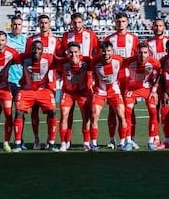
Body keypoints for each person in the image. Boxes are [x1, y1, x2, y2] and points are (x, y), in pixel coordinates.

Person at [61, 12, 100, 148]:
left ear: (83, 22)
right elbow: (61, 54)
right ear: (71, 23)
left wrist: (95, 72)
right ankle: (67, 140)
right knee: (68, 111)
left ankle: (87, 142)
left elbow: (97, 53)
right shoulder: (66, 36)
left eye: (79, 22)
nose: (77, 25)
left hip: (86, 75)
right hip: (70, 76)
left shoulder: (91, 35)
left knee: (87, 112)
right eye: (74, 22)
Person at [12, 40, 59, 152]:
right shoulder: (24, 58)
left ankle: (51, 143)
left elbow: (63, 62)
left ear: (42, 50)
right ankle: (18, 144)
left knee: (53, 111)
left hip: (43, 90)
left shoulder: (49, 58)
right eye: (33, 48)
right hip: (26, 90)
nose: (36, 51)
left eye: (39, 49)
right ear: (30, 49)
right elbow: (10, 59)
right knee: (18, 112)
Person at [0, 15, 27, 151]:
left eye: (19, 25)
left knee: (19, 112)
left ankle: (19, 139)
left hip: (20, 82)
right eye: (14, 24)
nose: (17, 27)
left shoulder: (26, 41)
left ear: (22, 26)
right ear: (11, 26)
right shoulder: (5, 39)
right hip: (5, 82)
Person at [25, 14, 62, 150]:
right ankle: (36, 139)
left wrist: (60, 75)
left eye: (46, 23)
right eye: (41, 23)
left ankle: (49, 139)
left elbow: (59, 60)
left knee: (51, 111)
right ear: (38, 24)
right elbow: (27, 60)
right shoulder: (31, 40)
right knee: (34, 111)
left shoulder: (55, 41)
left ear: (50, 24)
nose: (44, 25)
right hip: (34, 81)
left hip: (50, 81)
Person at [104, 12, 139, 150]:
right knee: (113, 110)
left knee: (131, 110)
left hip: (130, 79)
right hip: (115, 79)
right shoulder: (109, 39)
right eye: (118, 21)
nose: (120, 24)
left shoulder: (133, 38)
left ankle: (131, 138)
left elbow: (138, 58)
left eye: (123, 21)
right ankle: (112, 140)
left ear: (127, 22)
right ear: (115, 22)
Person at [90, 41, 129, 151]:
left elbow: (131, 62)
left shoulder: (119, 60)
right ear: (100, 52)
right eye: (103, 51)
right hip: (100, 92)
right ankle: (93, 144)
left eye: (108, 51)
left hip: (114, 92)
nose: (106, 53)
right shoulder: (94, 61)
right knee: (94, 116)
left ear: (112, 51)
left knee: (122, 116)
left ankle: (122, 143)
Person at [122, 42, 161, 151]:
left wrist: (154, 89)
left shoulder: (154, 62)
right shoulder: (129, 61)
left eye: (145, 53)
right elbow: (118, 69)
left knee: (153, 113)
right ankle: (129, 141)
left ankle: (150, 141)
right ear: (136, 53)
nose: (142, 55)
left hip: (147, 89)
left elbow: (160, 73)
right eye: (140, 53)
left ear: (149, 53)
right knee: (128, 114)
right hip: (132, 89)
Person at [55, 41, 92, 151]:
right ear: (67, 52)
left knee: (86, 117)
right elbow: (50, 61)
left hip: (82, 92)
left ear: (79, 52)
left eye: (76, 52)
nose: (73, 54)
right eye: (70, 52)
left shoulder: (86, 62)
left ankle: (86, 143)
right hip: (68, 92)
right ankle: (63, 143)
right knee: (64, 115)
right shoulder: (62, 62)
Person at [145, 18, 169, 148]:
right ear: (152, 28)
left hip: (168, 81)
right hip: (153, 81)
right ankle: (156, 138)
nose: (158, 28)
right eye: (155, 25)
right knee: (154, 111)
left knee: (168, 110)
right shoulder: (147, 43)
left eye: (160, 25)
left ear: (164, 27)